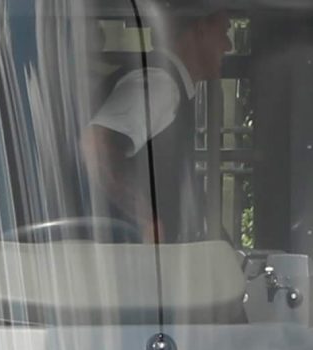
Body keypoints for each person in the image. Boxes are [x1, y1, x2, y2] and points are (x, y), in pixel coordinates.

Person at [81, 2, 231, 243]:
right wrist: (144, 218)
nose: (228, 45)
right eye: (224, 32)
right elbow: (96, 147)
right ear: (200, 29)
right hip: (122, 261)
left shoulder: (169, 85)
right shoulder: (161, 86)